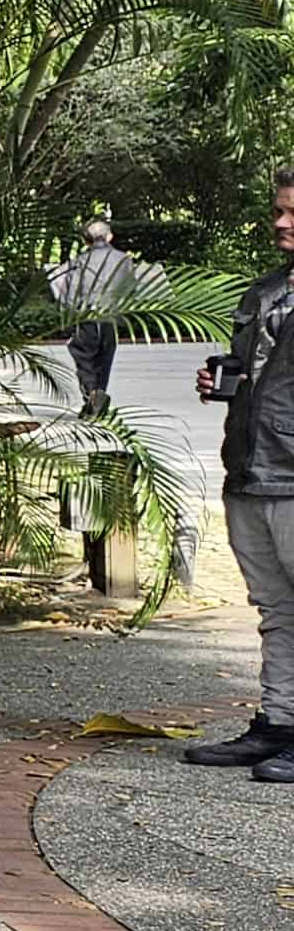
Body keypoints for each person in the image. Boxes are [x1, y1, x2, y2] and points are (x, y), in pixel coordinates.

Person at [180, 167, 294, 781]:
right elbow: (258, 374)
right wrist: (225, 383)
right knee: (275, 607)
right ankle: (279, 722)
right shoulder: (263, 292)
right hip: (250, 469)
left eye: (293, 214)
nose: (280, 222)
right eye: (279, 210)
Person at [46, 215, 155, 418]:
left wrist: (67, 318)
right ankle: (97, 397)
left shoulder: (79, 262)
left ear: (86, 240)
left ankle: (92, 396)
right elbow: (130, 289)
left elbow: (70, 292)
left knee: (84, 357)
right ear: (110, 236)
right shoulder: (124, 260)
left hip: (86, 315)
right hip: (111, 317)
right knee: (104, 359)